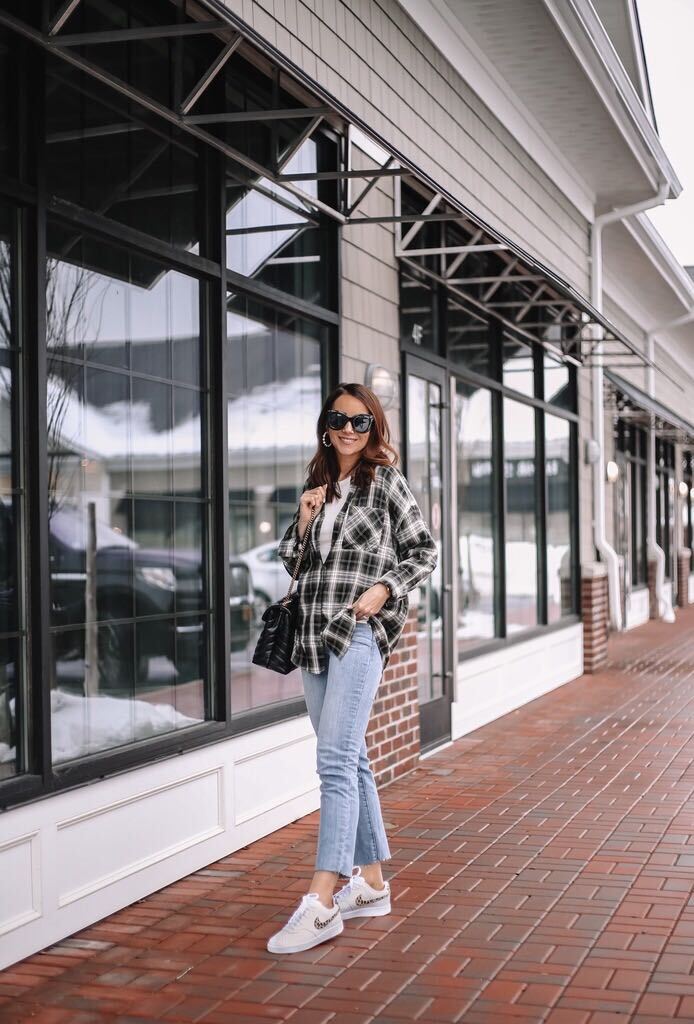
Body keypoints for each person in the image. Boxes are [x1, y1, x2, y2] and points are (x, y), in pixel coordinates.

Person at [266, 382, 437, 955]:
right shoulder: (320, 487)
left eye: (360, 421)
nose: (348, 429)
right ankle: (371, 885)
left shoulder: (385, 481)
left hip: (358, 631)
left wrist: (383, 589)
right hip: (313, 635)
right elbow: (294, 561)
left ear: (374, 428)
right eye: (340, 419)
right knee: (353, 757)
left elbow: (424, 551)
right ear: (326, 423)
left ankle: (321, 901)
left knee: (335, 759)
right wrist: (303, 515)